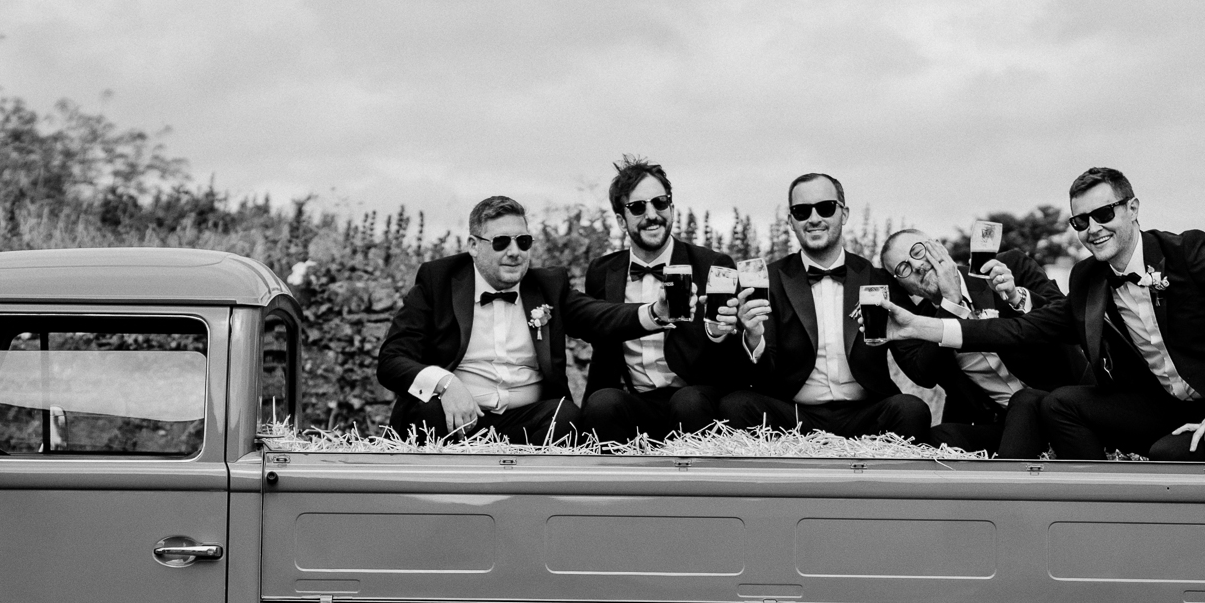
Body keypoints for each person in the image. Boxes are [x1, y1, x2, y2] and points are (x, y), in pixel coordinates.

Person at [872, 167, 1205, 461]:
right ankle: (1091, 511)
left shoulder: (1188, 252)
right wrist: (916, 324)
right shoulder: (1088, 279)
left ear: (1132, 209)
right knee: (1062, 405)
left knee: (1164, 455)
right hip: (1163, 406)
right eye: (1081, 222)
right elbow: (1023, 331)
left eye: (1103, 214)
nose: (1092, 229)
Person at [376, 195, 669, 443]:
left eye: (523, 241)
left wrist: (655, 312)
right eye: (501, 242)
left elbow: (598, 315)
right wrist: (445, 383)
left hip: (526, 422)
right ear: (474, 246)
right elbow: (392, 359)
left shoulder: (548, 287)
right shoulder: (437, 281)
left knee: (565, 416)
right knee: (427, 412)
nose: (515, 252)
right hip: (456, 421)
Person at [712, 172, 931, 441]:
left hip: (865, 414)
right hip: (794, 416)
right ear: (790, 221)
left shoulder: (877, 279)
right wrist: (753, 338)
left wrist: (947, 302)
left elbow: (921, 369)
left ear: (844, 213)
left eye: (825, 208)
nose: (814, 218)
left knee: (912, 410)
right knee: (736, 406)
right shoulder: (766, 280)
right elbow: (759, 379)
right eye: (802, 212)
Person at [576, 156, 740, 441]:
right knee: (602, 404)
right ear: (620, 220)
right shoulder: (601, 273)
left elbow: (729, 353)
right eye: (638, 207)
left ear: (672, 208)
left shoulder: (713, 265)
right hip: (634, 402)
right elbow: (599, 339)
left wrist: (717, 330)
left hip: (695, 401)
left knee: (688, 402)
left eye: (660, 203)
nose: (652, 214)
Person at [880, 228, 1078, 456]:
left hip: (1062, 404)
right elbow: (924, 374)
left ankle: (1005, 489)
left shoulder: (1007, 267)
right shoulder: (919, 322)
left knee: (1025, 400)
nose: (916, 266)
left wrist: (1016, 297)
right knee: (939, 439)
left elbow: (1067, 319)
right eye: (903, 268)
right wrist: (951, 304)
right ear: (903, 286)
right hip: (1006, 425)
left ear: (938, 247)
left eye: (918, 251)